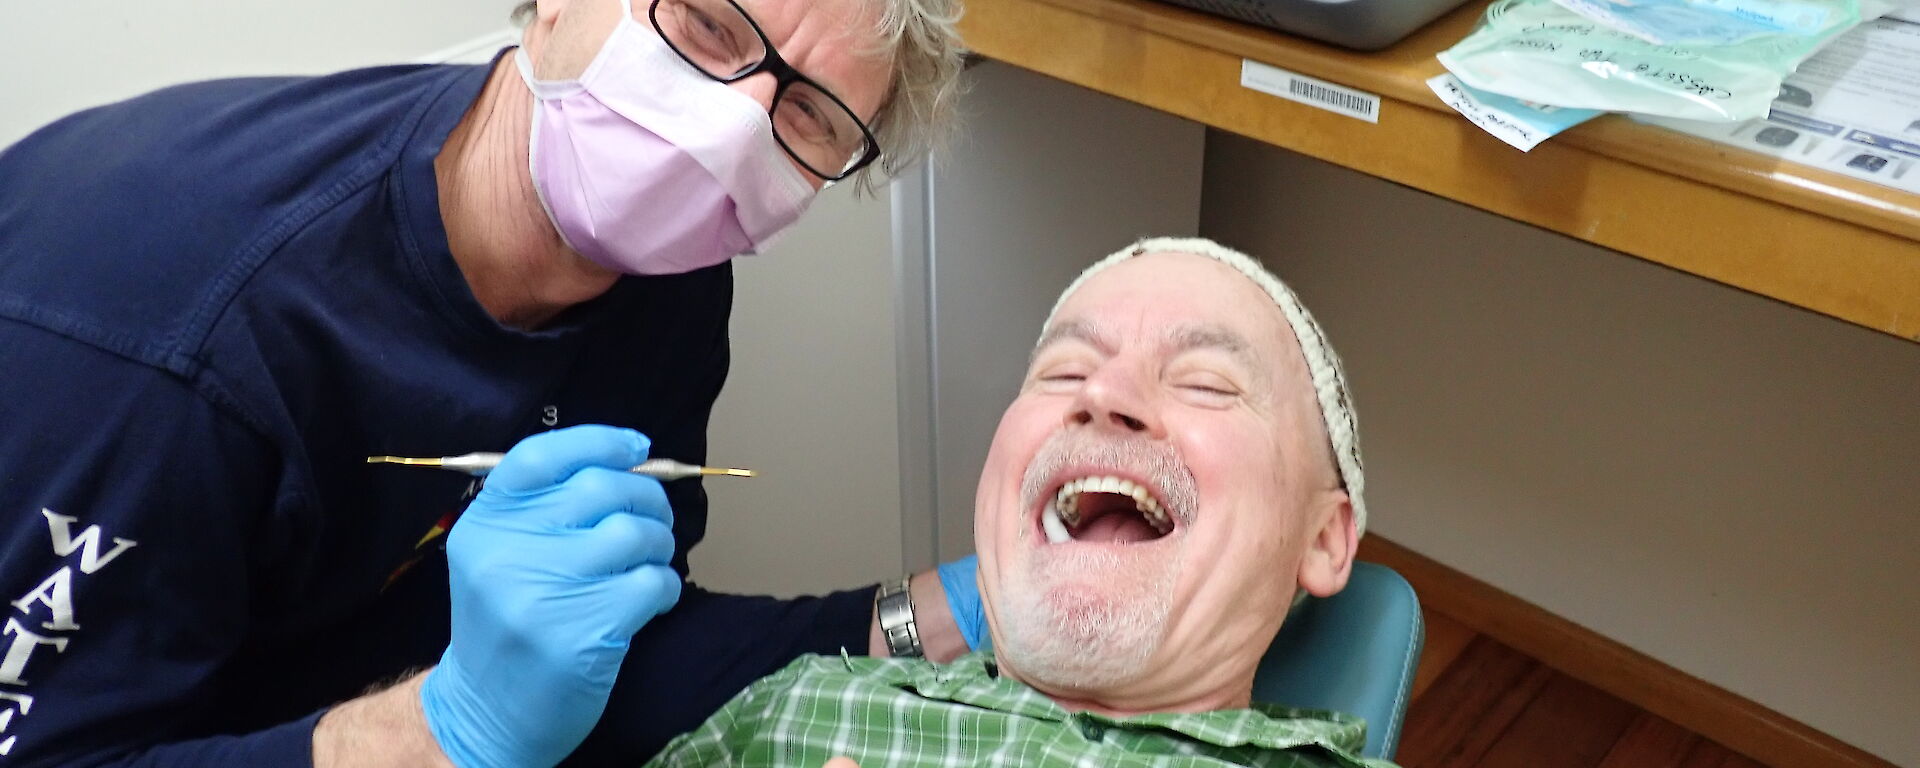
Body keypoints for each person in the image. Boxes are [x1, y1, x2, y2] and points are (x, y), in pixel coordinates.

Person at [0, 0, 974, 765]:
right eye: (708, 28)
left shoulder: (666, 273)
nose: (728, 132)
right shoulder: (172, 336)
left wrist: (958, 614)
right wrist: (447, 734)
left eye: (807, 112)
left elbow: (610, 655)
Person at [643, 237, 1389, 768]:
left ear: (1324, 538)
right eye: (1064, 372)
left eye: (1206, 382)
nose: (1104, 394)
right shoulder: (791, 704)